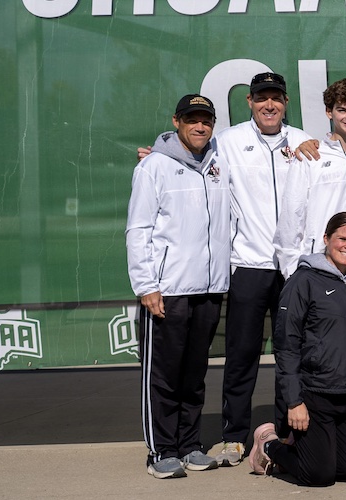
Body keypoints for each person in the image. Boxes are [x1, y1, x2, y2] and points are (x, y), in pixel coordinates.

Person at [213, 72, 321, 465]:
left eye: (276, 98)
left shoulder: (305, 141)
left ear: (286, 101)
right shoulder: (227, 142)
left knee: (292, 354)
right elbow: (188, 152)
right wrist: (157, 150)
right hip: (250, 263)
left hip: (294, 268)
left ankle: (287, 433)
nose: (269, 105)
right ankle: (235, 436)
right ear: (250, 102)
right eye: (262, 98)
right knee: (241, 353)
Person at [126, 94, 230, 478]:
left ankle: (189, 444)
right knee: (164, 375)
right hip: (167, 290)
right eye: (192, 119)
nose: (200, 126)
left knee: (193, 373)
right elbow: (138, 230)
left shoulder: (220, 162)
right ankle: (161, 451)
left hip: (208, 287)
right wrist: (146, 284)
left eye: (206, 120)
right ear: (176, 121)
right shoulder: (154, 167)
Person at [247, 212, 346, 487]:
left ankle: (316, 450)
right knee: (318, 476)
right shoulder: (303, 281)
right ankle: (270, 446)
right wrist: (294, 402)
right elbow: (286, 345)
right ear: (327, 239)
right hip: (316, 395)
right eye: (342, 238)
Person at [276, 78, 346, 277]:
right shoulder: (309, 156)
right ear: (329, 112)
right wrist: (291, 270)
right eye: (342, 110)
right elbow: (291, 216)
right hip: (320, 264)